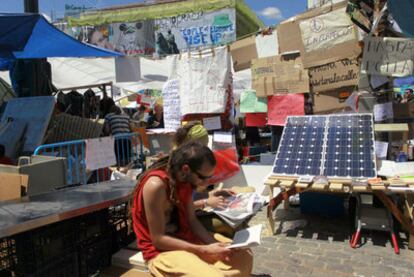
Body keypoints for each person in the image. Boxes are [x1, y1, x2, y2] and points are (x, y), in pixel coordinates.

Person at [131, 142, 253, 276]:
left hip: (187, 238)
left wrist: (216, 246)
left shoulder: (186, 181)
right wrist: (204, 250)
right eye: (203, 177)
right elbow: (158, 239)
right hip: (162, 251)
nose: (206, 183)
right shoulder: (156, 185)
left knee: (243, 255)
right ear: (186, 169)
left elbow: (192, 221)